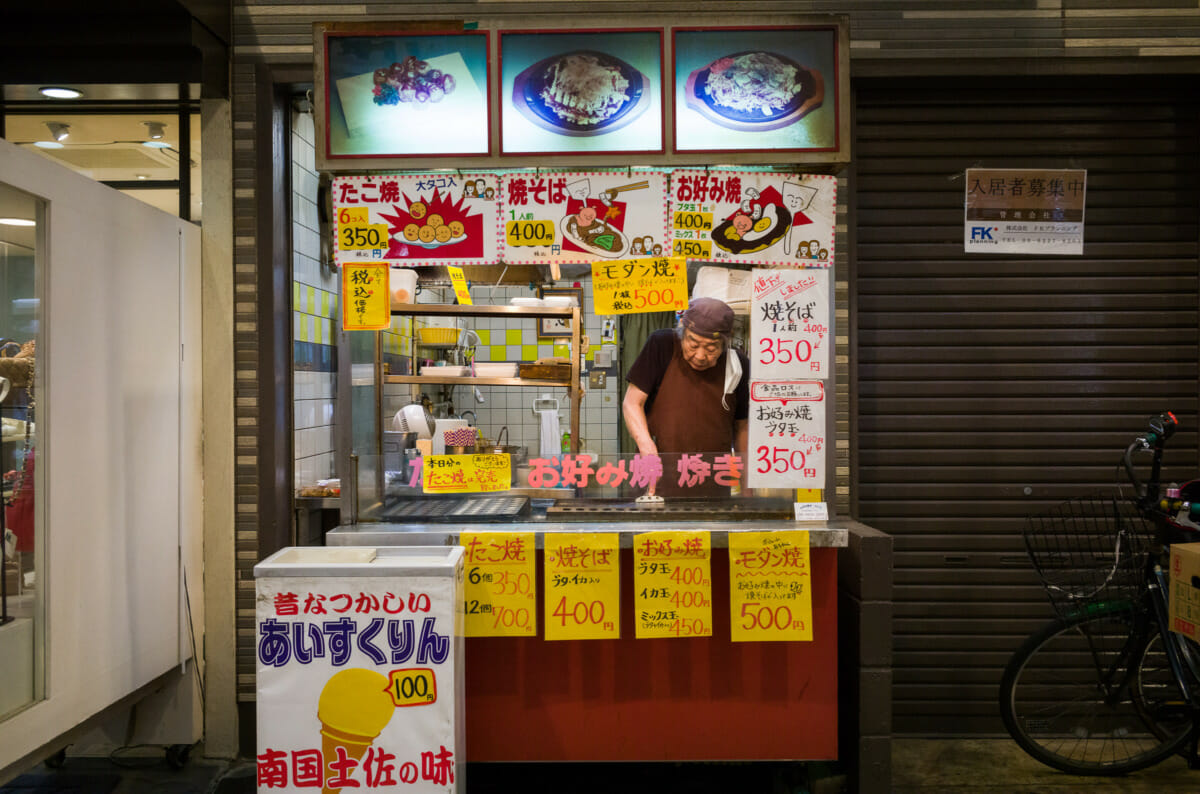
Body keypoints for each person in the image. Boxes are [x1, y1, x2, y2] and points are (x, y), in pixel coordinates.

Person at [622, 297, 749, 497]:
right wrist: (645, 444)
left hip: (712, 483)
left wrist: (747, 487)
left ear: (726, 343)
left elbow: (742, 427)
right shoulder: (661, 345)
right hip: (657, 479)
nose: (699, 356)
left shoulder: (737, 365)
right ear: (682, 331)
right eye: (693, 343)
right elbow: (632, 402)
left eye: (710, 348)